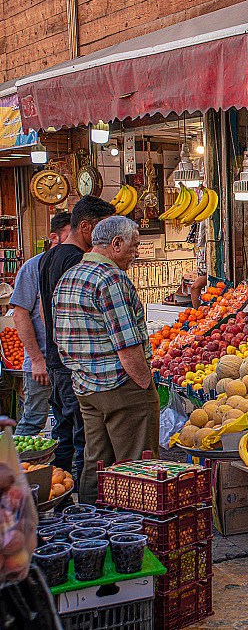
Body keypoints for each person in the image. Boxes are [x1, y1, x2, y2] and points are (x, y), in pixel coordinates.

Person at [54, 217, 159, 505]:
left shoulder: (70, 277)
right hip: (121, 386)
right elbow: (127, 345)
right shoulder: (110, 279)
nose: (136, 252)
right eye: (134, 246)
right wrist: (144, 385)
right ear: (116, 244)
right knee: (138, 466)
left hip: (85, 387)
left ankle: (92, 530)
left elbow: (61, 338)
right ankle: (138, 533)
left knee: (95, 462)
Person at [38, 196, 115, 484]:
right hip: (75, 367)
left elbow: (50, 313)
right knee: (86, 439)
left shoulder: (49, 257)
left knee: (63, 435)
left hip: (57, 362)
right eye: (102, 230)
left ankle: (57, 493)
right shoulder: (77, 260)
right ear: (85, 227)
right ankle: (84, 506)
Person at [10, 213, 71, 435]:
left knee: (68, 422)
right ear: (54, 237)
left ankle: (57, 469)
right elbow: (19, 315)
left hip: (68, 363)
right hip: (42, 362)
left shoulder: (75, 262)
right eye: (68, 235)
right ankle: (11, 467)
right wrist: (37, 360)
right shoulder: (33, 267)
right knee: (34, 420)